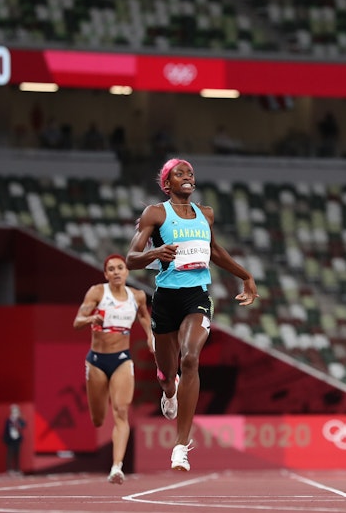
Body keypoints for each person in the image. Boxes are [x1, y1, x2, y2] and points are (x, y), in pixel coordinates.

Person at [126, 158, 258, 472]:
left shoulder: (205, 214)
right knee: (168, 372)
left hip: (196, 297)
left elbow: (214, 251)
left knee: (190, 357)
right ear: (166, 183)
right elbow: (131, 258)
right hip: (165, 300)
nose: (187, 177)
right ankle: (168, 389)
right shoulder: (155, 214)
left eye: (190, 173)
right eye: (179, 173)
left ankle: (181, 446)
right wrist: (154, 254)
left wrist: (246, 276)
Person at [73, 254, 154, 484]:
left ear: (127, 272)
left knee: (120, 411)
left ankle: (116, 468)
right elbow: (77, 321)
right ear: (105, 274)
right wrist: (91, 320)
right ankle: (113, 459)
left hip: (122, 360)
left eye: (120, 268)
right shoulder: (97, 293)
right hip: (97, 361)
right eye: (111, 269)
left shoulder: (137, 296)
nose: (117, 272)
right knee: (98, 418)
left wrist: (150, 337)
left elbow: (144, 317)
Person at [3, 404, 27, 473]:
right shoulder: (9, 420)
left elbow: (24, 425)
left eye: (16, 411)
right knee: (10, 454)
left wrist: (20, 419)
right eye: (14, 411)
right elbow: (6, 429)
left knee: (17, 454)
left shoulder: (19, 420)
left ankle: (17, 468)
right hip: (10, 440)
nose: (15, 413)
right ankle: (9, 469)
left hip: (17, 439)